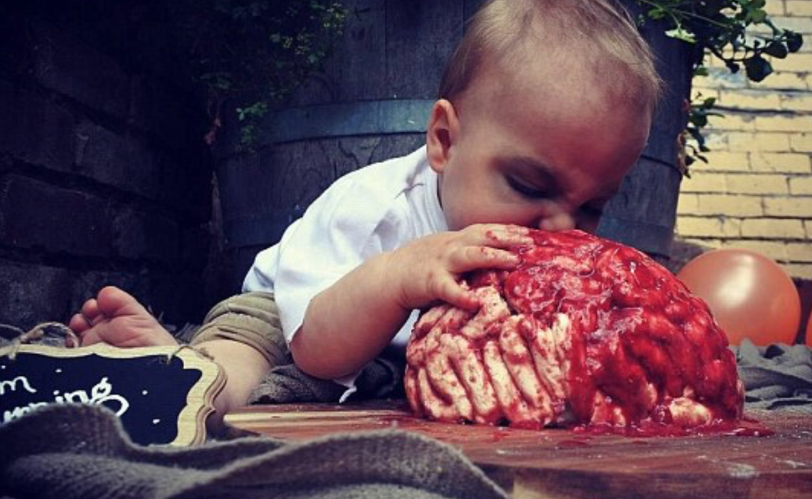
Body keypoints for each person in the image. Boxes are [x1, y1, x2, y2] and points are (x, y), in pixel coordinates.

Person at [69, 0, 661, 423]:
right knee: (254, 366)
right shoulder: (374, 210)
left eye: (592, 208)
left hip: (391, 359)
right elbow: (316, 350)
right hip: (299, 317)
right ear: (445, 141)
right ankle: (184, 377)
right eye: (530, 183)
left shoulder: (534, 250)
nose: (559, 228)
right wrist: (399, 277)